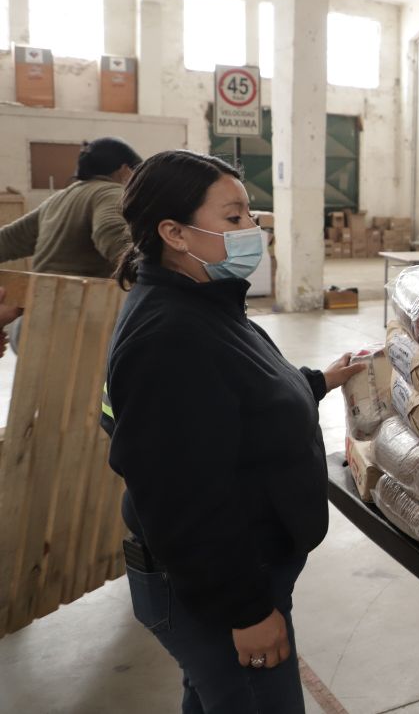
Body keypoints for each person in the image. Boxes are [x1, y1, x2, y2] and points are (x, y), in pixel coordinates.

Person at [102, 150, 361, 714]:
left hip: (238, 573)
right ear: (174, 232)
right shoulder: (168, 337)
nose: (255, 230)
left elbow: (235, 397)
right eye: (235, 217)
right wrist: (246, 611)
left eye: (252, 216)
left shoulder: (203, 304)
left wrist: (318, 380)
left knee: (215, 698)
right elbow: (182, 499)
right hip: (219, 587)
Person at [0, 136, 141, 277]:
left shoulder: (58, 199)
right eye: (137, 173)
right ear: (124, 170)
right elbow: (111, 232)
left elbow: (7, 240)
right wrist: (145, 272)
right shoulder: (111, 192)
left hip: (41, 293)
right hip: (83, 295)